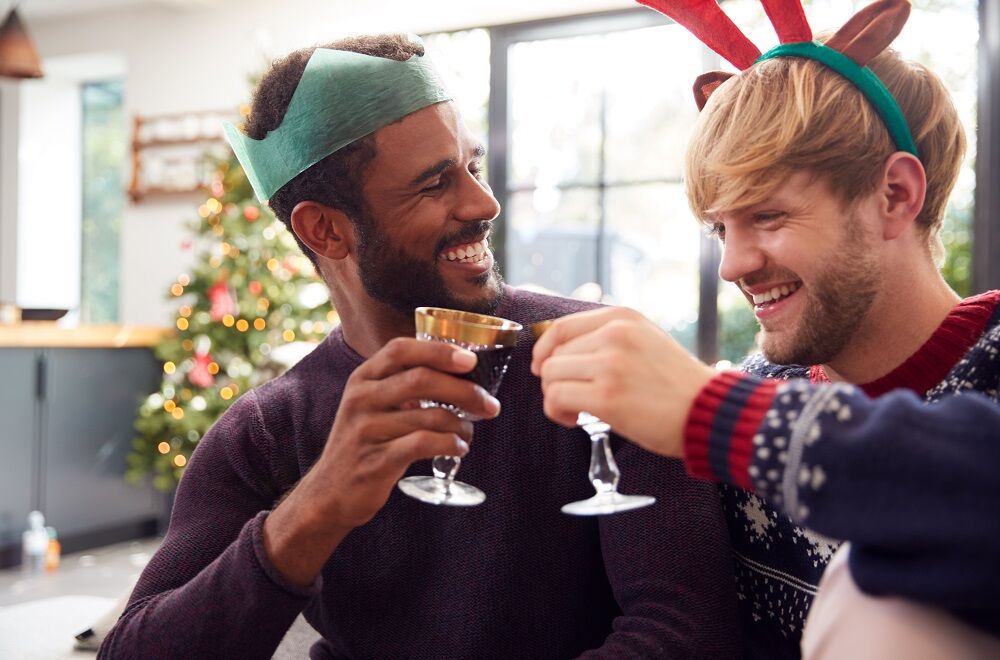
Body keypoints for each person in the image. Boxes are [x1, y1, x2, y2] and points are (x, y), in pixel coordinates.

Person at [98, 34, 741, 659]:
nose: (484, 201)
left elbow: (689, 634)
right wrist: (316, 508)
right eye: (435, 184)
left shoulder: (602, 358)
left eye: (473, 167)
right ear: (325, 229)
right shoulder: (268, 433)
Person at [532, 0, 1000, 658]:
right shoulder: (751, 399)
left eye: (769, 217)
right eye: (721, 228)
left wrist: (711, 410)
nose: (733, 266)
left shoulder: (735, 419)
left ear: (894, 195)